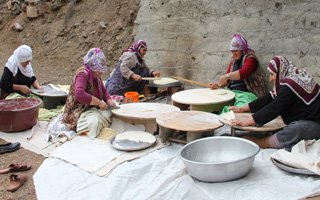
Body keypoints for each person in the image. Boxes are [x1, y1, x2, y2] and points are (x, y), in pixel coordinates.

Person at [230, 56, 320, 149]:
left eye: (272, 74)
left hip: (316, 123)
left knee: (297, 129)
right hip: (308, 118)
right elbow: (270, 97)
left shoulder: (290, 84)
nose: (270, 79)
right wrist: (243, 108)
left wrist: (248, 121)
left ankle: (263, 142)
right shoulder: (290, 77)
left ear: (280, 71)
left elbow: (275, 107)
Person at [62, 48, 116, 138]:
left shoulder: (96, 76)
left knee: (111, 114)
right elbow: (79, 94)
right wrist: (99, 102)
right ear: (92, 66)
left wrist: (109, 100)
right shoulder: (82, 75)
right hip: (78, 111)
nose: (101, 73)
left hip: (91, 109)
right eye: (99, 71)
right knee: (94, 122)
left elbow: (104, 91)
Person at [209, 34, 267, 113]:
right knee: (213, 103)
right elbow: (227, 80)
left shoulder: (251, 58)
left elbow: (244, 73)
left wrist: (227, 76)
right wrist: (218, 85)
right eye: (232, 51)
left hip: (247, 94)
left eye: (236, 51)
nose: (234, 53)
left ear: (243, 50)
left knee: (239, 109)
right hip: (232, 92)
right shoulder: (233, 60)